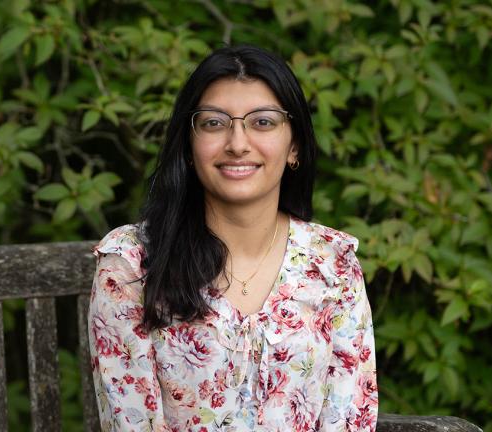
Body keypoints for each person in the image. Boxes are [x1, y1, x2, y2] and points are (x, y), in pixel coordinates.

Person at [87, 43, 378, 431]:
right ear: (189, 147)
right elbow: (130, 421)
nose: (238, 144)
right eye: (214, 123)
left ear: (294, 146)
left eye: (262, 122)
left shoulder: (332, 263)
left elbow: (350, 418)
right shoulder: (131, 266)